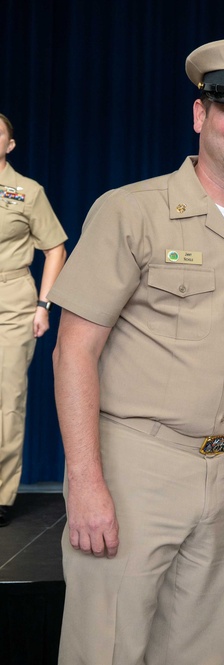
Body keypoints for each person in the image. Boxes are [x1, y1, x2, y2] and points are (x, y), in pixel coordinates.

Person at [49, 39, 224, 664]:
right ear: (200, 116)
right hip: (131, 465)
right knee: (106, 651)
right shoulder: (130, 212)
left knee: (196, 653)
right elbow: (73, 354)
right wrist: (85, 482)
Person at [0, 112, 67, 528]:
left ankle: (1, 495)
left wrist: (44, 306)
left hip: (10, 302)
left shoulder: (27, 192)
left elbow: (56, 248)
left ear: (9, 145)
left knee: (6, 401)